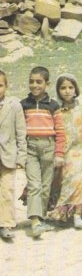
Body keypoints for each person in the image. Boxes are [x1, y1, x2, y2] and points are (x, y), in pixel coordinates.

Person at [20, 66, 66, 237]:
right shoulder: (23, 105)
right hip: (30, 147)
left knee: (46, 186)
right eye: (31, 82)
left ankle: (43, 217)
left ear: (47, 84)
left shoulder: (53, 105)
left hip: (49, 147)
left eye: (39, 82)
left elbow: (60, 131)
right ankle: (34, 221)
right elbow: (19, 130)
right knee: (34, 185)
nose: (34, 85)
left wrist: (59, 154)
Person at [48, 74, 82, 229]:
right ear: (58, 90)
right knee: (62, 183)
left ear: (75, 89)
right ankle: (60, 213)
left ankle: (77, 215)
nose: (67, 91)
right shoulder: (55, 109)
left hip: (79, 151)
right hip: (61, 152)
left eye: (70, 87)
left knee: (78, 183)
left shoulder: (81, 106)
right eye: (63, 88)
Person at [0, 70, 27, 240]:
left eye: (0, 85)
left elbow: (21, 133)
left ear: (6, 86)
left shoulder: (14, 105)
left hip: (8, 155)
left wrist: (21, 157)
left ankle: (6, 223)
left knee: (7, 190)